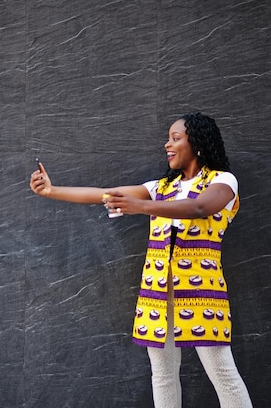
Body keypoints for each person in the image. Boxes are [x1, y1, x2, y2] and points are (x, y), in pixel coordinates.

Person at [29, 112, 253, 408]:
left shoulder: (224, 181)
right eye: (168, 138)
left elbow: (200, 207)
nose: (167, 145)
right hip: (156, 293)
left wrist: (141, 206)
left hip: (202, 293)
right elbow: (103, 195)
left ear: (197, 144)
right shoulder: (161, 187)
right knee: (162, 374)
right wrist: (52, 190)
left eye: (175, 138)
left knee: (221, 372)